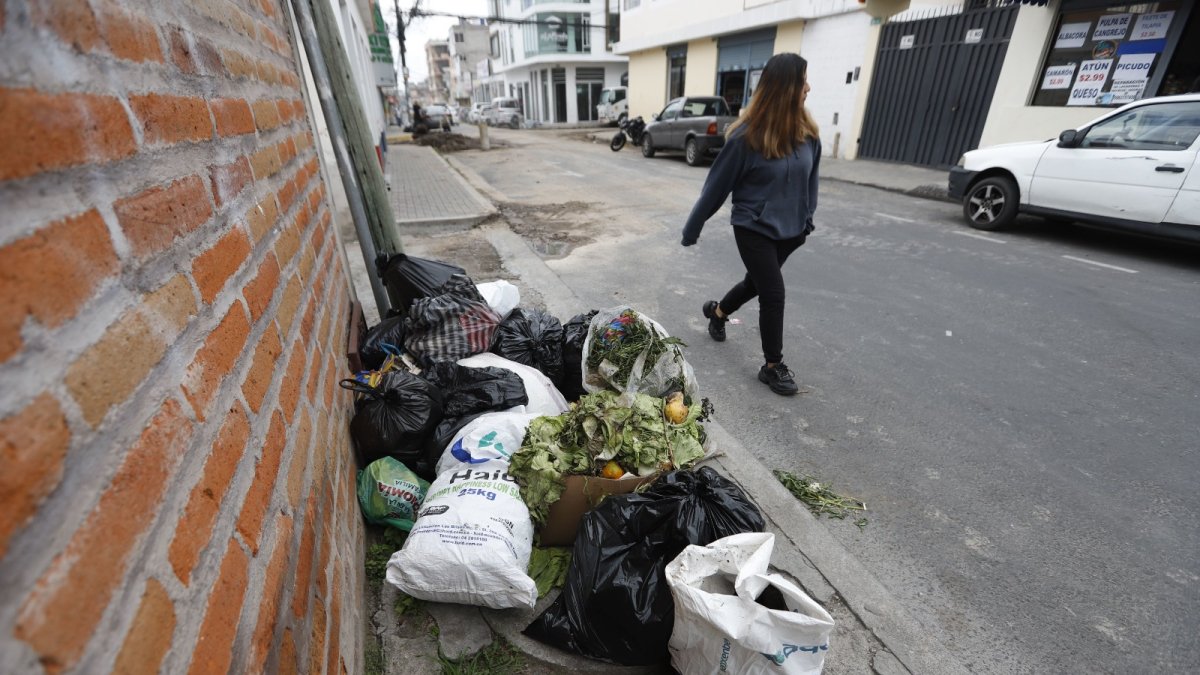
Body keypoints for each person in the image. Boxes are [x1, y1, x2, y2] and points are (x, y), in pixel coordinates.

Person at [680, 52, 820, 396]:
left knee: (755, 283)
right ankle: (772, 367)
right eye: (803, 82)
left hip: (791, 230)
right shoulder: (746, 138)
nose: (808, 88)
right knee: (773, 292)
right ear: (785, 88)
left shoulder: (808, 135)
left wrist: (807, 219)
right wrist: (692, 228)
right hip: (753, 226)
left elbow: (811, 181)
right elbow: (716, 188)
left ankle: (718, 312)